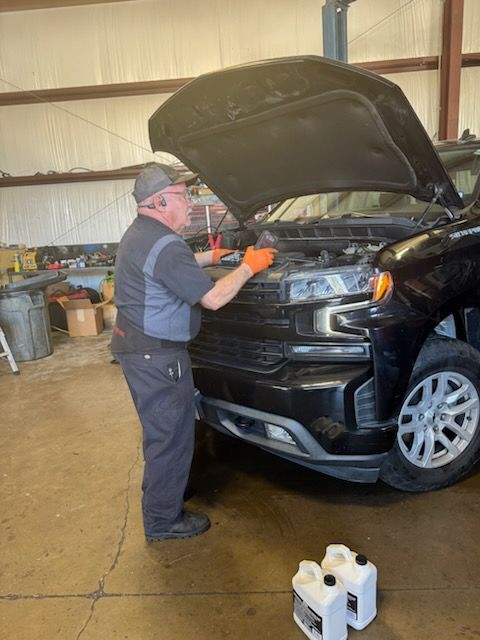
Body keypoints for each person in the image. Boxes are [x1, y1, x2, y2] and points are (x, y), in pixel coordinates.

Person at [111, 162, 276, 542]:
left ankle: (164, 497)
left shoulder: (141, 234)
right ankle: (163, 521)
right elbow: (215, 298)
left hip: (137, 349)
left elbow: (171, 265)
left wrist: (216, 258)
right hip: (157, 357)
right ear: (161, 201)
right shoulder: (164, 244)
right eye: (184, 197)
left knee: (161, 432)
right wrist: (249, 267)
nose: (190, 203)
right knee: (170, 437)